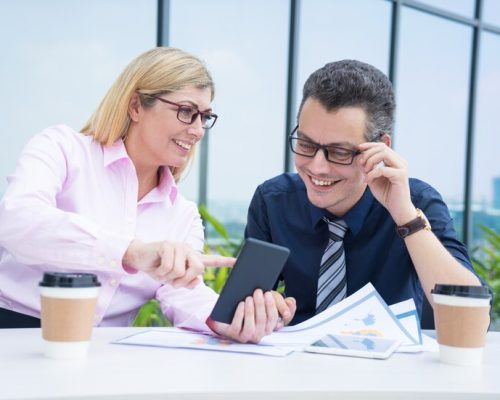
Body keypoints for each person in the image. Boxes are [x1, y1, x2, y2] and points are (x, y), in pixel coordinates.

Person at [0, 47, 295, 342]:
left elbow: (183, 293)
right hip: (13, 332)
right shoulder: (62, 149)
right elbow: (17, 222)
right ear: (136, 106)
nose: (198, 130)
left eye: (204, 117)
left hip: (103, 352)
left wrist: (227, 320)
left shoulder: (182, 215)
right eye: (186, 112)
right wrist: (131, 252)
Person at [245, 59, 483, 325]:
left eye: (340, 152)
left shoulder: (416, 202)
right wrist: (261, 307)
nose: (317, 166)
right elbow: (244, 304)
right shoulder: (273, 201)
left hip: (389, 363)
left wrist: (405, 217)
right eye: (306, 144)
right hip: (294, 360)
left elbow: (472, 317)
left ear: (380, 148)